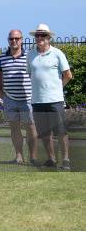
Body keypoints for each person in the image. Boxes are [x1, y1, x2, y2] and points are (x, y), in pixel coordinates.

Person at [27, 24, 73, 170]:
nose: (39, 38)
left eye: (43, 35)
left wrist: (57, 89)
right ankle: (51, 159)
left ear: (49, 37)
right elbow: (30, 74)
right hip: (37, 101)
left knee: (61, 131)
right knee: (44, 133)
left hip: (55, 100)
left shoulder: (57, 53)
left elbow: (68, 75)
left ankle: (65, 160)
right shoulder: (30, 54)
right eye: (37, 35)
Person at [0, 30, 38, 165]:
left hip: (28, 99)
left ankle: (33, 157)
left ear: (22, 39)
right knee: (14, 129)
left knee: (30, 128)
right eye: (11, 39)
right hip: (10, 99)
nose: (14, 41)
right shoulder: (2, 57)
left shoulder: (30, 56)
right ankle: (18, 156)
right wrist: (0, 91)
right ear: (8, 40)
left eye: (17, 38)